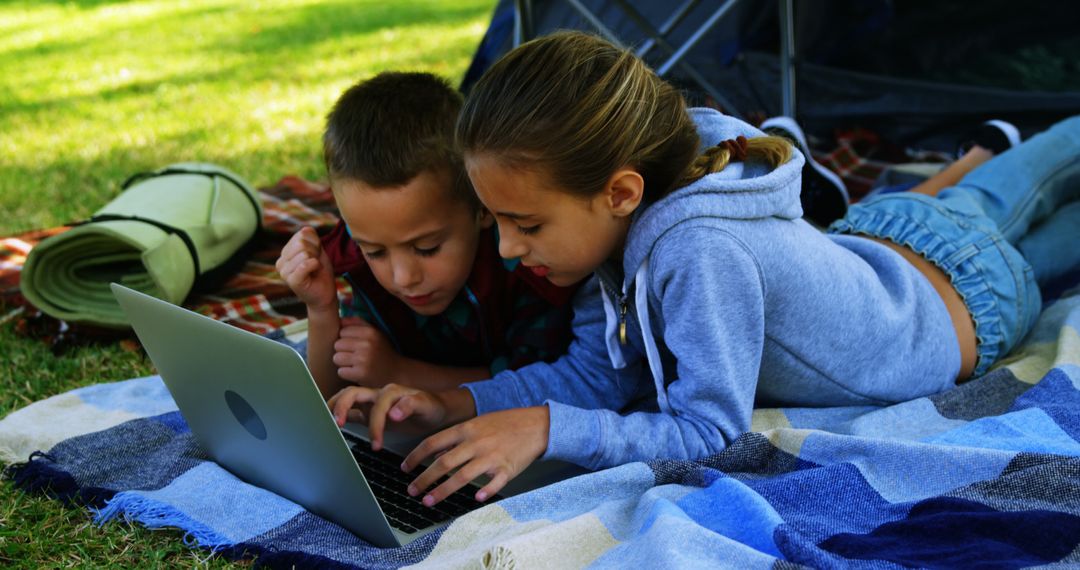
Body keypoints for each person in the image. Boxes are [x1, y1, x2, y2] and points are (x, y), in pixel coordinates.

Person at [327, 32, 1080, 508]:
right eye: (498, 223)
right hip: (885, 238)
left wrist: (549, 429)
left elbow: (706, 429)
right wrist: (461, 404)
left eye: (525, 225)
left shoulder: (695, 252)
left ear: (619, 191)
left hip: (966, 302)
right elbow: (599, 376)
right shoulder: (609, 238)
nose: (508, 252)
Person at [275, 71, 579, 399]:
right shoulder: (357, 260)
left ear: (483, 210)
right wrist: (321, 310)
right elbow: (326, 398)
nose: (403, 277)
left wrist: (400, 373)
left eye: (427, 248)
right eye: (375, 251)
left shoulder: (526, 265)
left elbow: (540, 384)